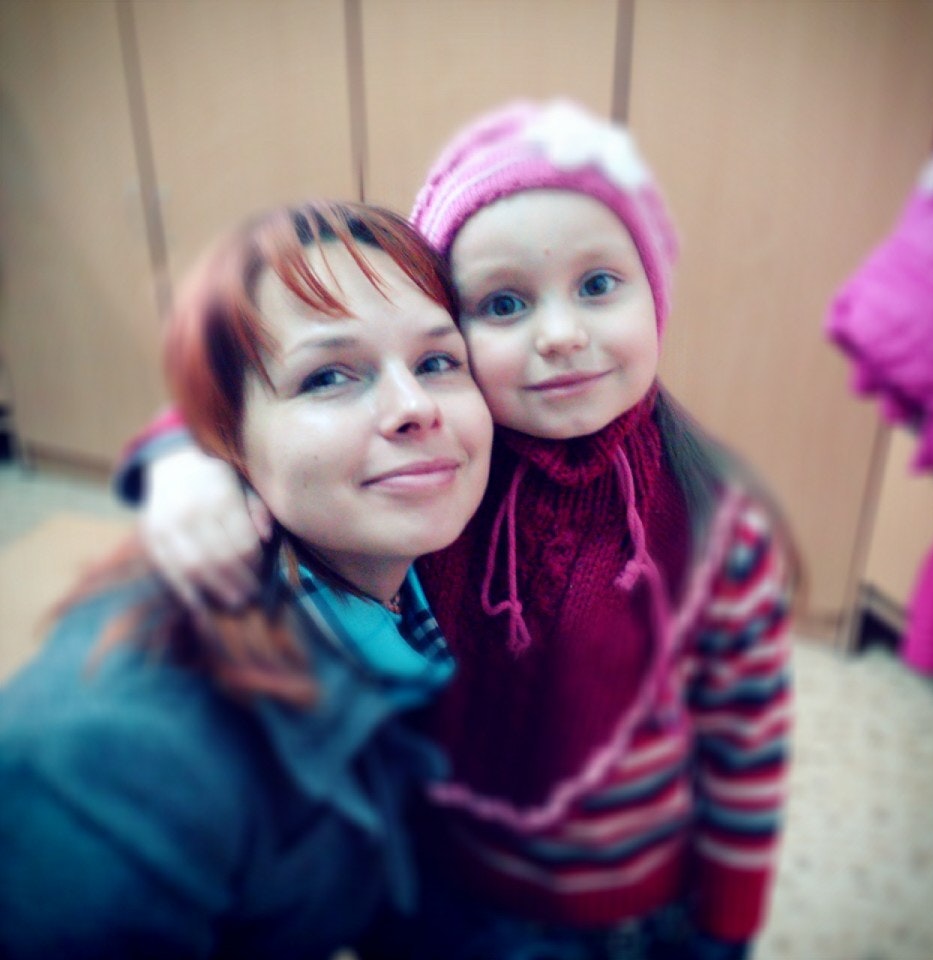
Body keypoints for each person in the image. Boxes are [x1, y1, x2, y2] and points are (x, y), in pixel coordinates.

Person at [119, 101, 798, 960]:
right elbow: (252, 383)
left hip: (628, 908)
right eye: (505, 303)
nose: (562, 336)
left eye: (598, 285)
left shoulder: (715, 520)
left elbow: (747, 738)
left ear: (655, 290)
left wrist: (727, 926)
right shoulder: (443, 463)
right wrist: (183, 460)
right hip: (437, 878)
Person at [0, 200, 492, 959]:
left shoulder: (436, 559)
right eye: (328, 376)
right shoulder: (115, 758)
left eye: (437, 362)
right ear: (224, 441)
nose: (415, 408)